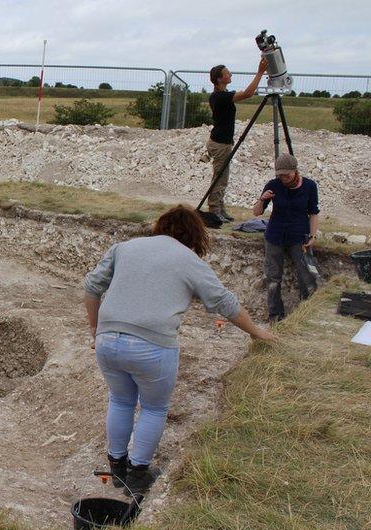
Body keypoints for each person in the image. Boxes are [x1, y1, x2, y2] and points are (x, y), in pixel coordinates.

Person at [84, 205, 274, 494]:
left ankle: (117, 468)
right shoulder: (189, 261)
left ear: (161, 226)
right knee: (154, 407)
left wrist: (95, 330)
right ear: (195, 236)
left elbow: (92, 286)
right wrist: (258, 332)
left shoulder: (125, 247)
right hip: (152, 346)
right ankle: (137, 475)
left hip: (108, 341)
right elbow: (226, 303)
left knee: (121, 401)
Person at [251, 153, 319, 322]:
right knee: (273, 278)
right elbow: (257, 212)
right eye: (280, 175)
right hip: (275, 236)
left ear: (295, 171)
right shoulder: (273, 185)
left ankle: (307, 314)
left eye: (286, 175)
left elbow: (313, 213)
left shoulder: (310, 186)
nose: (283, 179)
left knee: (306, 276)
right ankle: (275, 316)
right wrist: (262, 199)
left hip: (299, 236)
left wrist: (312, 235)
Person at [206, 57, 268, 221]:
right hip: (220, 143)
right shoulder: (220, 97)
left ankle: (220, 208)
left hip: (221, 141)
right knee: (220, 178)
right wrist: (260, 72)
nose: (230, 74)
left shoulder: (222, 95)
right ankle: (214, 210)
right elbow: (248, 93)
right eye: (227, 73)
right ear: (220, 78)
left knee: (222, 178)